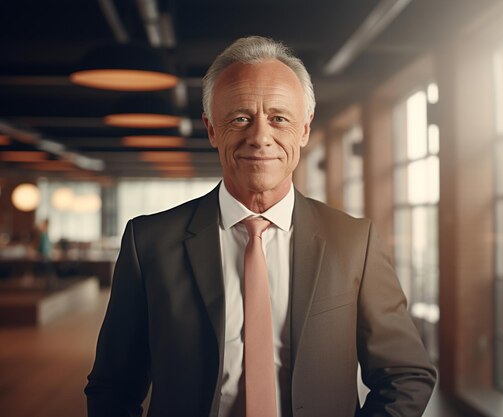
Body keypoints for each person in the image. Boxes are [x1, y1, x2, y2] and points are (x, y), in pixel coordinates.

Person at [85, 36, 436, 417]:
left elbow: (405, 374)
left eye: (279, 118)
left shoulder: (354, 242)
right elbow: (113, 387)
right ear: (211, 129)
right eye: (240, 118)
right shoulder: (148, 242)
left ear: (303, 129)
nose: (260, 136)